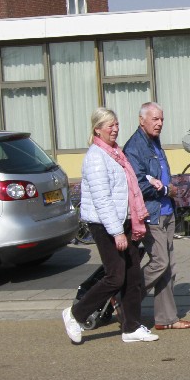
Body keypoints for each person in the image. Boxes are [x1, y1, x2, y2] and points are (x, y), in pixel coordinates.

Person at [61, 107, 154, 344]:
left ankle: (131, 327)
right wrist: (117, 232)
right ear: (97, 129)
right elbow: (102, 199)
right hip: (104, 224)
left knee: (132, 276)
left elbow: (125, 188)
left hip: (124, 221)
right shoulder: (96, 157)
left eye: (116, 124)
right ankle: (75, 314)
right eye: (109, 125)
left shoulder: (115, 153)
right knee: (116, 276)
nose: (115, 129)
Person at [124, 102, 190, 331]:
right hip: (150, 214)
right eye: (155, 119)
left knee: (169, 267)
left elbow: (159, 174)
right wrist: (165, 190)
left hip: (167, 211)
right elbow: (137, 184)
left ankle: (166, 319)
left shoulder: (154, 141)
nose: (159, 123)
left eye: (161, 119)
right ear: (141, 120)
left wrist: (169, 190)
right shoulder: (134, 147)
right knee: (160, 262)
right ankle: (125, 297)